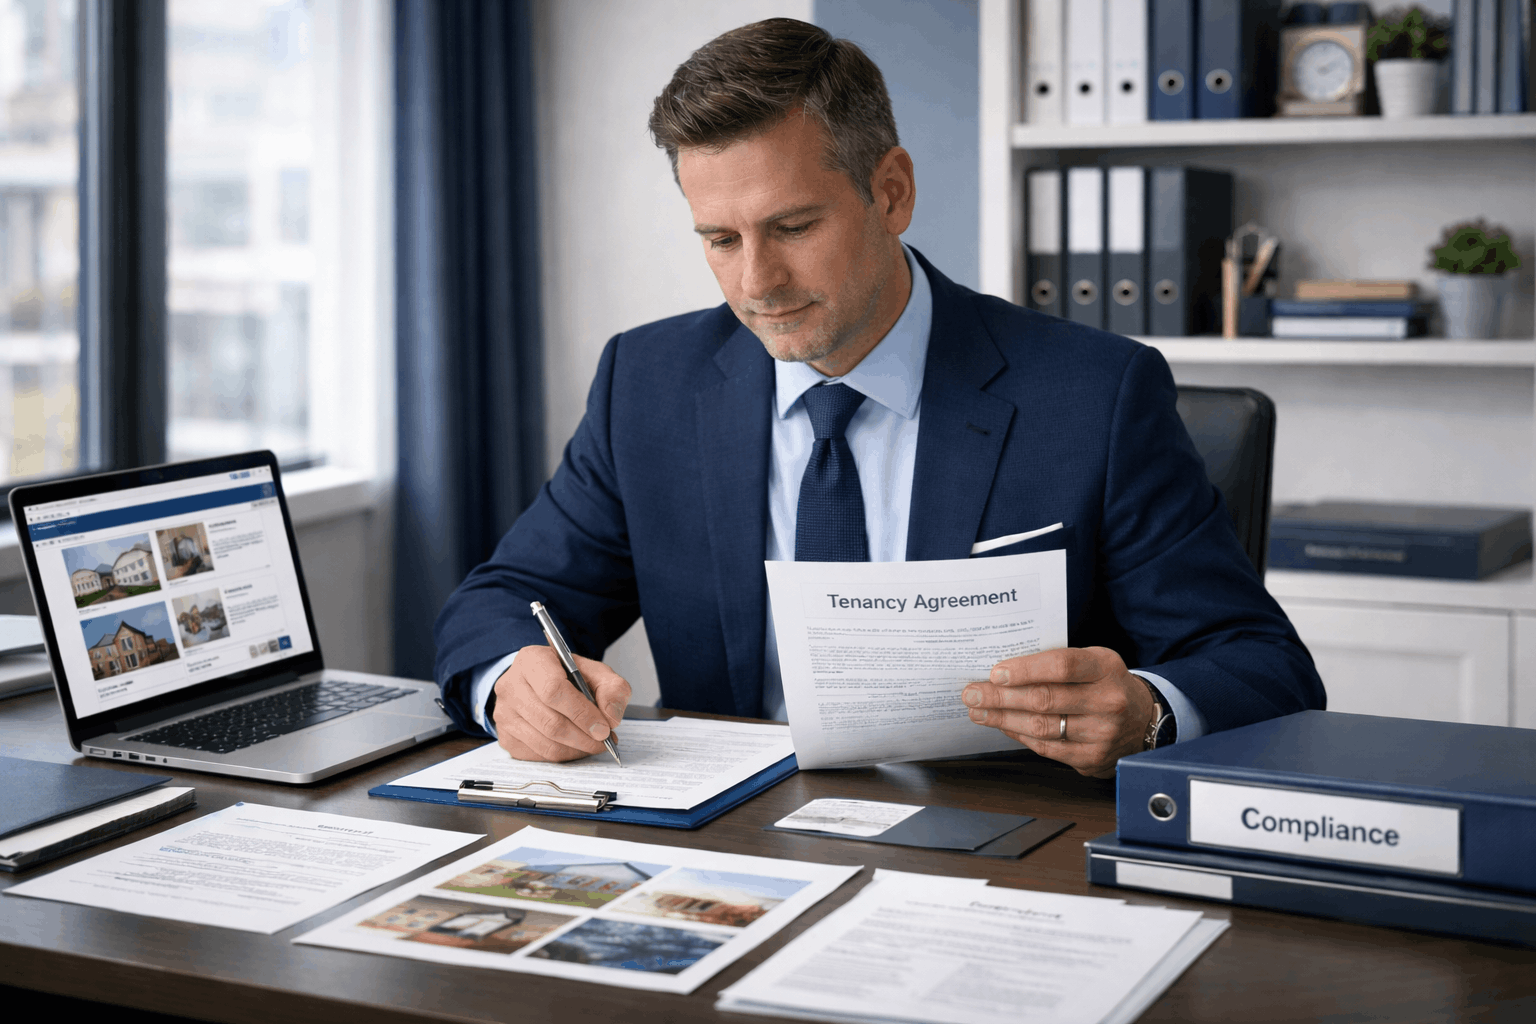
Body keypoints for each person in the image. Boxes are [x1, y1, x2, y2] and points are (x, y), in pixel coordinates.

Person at [433, 18, 1324, 778]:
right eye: (719, 238)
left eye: (792, 226)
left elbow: (1263, 666)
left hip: (998, 841)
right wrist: (514, 678)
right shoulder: (649, 384)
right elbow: (507, 596)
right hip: (734, 841)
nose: (758, 282)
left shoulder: (1095, 394)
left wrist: (1146, 710)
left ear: (890, 192)